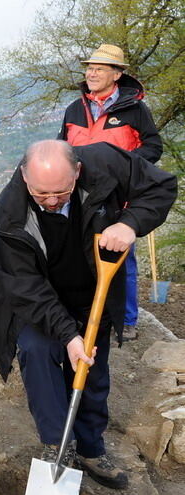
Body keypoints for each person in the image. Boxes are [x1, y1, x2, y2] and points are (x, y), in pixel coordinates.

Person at [0, 140, 176, 489]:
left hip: (94, 290)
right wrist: (68, 335)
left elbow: (162, 185)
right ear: (25, 176)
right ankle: (58, 446)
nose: (53, 200)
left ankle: (91, 448)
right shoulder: (10, 213)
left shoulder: (105, 163)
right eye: (42, 193)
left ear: (77, 172)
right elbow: (25, 286)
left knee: (92, 369)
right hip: (37, 298)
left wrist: (131, 222)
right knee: (38, 353)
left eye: (62, 191)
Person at [58, 44, 163, 342]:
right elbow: (61, 147)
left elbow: (153, 146)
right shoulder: (73, 109)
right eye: (89, 67)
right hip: (80, 197)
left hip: (119, 197)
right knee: (78, 254)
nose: (91, 72)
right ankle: (86, 311)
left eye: (99, 68)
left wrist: (125, 168)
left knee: (121, 257)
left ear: (116, 74)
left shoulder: (135, 109)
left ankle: (126, 320)